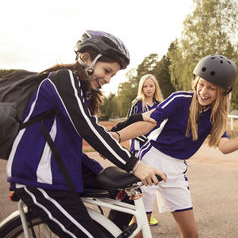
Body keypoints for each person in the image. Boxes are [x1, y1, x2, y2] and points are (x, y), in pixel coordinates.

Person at [6, 30, 166, 238]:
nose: (108, 79)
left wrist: (136, 120)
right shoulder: (63, 79)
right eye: (107, 71)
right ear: (86, 58)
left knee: (127, 190)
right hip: (39, 176)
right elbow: (88, 129)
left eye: (112, 75)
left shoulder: (82, 92)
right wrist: (136, 165)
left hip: (63, 170)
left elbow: (96, 129)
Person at [112, 54, 238, 238]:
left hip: (177, 168)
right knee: (140, 229)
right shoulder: (179, 99)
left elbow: (224, 147)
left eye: (211, 88)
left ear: (223, 92)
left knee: (191, 234)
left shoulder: (216, 116)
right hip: (151, 160)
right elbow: (149, 123)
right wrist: (116, 136)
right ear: (196, 82)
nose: (203, 91)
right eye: (201, 84)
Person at [127, 74, 163, 226]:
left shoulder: (160, 103)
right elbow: (129, 123)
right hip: (139, 145)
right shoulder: (137, 103)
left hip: (154, 147)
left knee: (150, 181)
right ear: (141, 88)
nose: (148, 89)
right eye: (145, 86)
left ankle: (148, 213)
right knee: (139, 182)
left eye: (151, 86)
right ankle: (134, 216)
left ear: (155, 87)